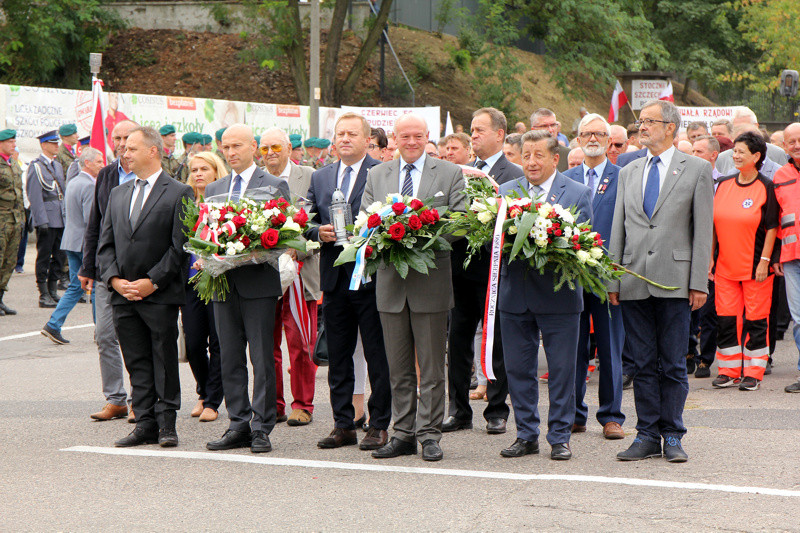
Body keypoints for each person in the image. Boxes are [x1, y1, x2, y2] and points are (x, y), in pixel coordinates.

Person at [609, 100, 714, 463]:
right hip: (633, 278)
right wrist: (613, 276)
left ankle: (672, 434)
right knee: (641, 362)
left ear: (670, 127)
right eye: (640, 122)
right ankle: (646, 435)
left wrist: (698, 282)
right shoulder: (629, 170)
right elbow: (619, 227)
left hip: (676, 280)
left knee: (671, 362)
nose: (642, 127)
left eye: (649, 121)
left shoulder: (697, 168)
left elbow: (703, 231)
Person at [362, 113, 465, 462]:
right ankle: (403, 433)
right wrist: (387, 237)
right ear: (394, 138)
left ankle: (429, 434)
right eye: (404, 136)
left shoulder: (449, 173)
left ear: (427, 137)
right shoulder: (377, 174)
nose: (410, 142)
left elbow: (459, 222)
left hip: (431, 283)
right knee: (398, 367)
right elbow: (364, 221)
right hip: (391, 285)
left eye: (417, 136)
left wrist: (421, 233)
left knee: (433, 367)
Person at [497, 130, 592, 461]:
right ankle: (526, 435)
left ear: (555, 158)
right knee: (519, 370)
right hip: (515, 296)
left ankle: (560, 436)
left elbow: (586, 243)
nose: (531, 162)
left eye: (538, 155)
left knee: (563, 371)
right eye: (525, 155)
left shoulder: (577, 193)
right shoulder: (507, 192)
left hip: (560, 297)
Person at [97, 126, 192, 448]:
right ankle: (145, 423)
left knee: (163, 359)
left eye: (132, 148)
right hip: (123, 294)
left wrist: (153, 281)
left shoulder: (178, 192)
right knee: (136, 360)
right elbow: (105, 244)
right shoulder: (118, 193)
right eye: (123, 147)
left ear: (153, 151)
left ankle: (167, 424)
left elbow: (180, 246)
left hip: (159, 294)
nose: (124, 152)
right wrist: (114, 280)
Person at [204, 124, 291, 454]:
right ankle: (237, 422)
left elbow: (283, 234)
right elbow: (205, 232)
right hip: (223, 282)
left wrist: (254, 252)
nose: (230, 152)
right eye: (225, 147)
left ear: (254, 147)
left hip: (258, 283)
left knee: (261, 357)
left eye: (237, 146)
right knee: (229, 356)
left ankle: (261, 426)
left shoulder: (273, 185)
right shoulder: (215, 188)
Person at [307, 112, 391, 451]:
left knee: (377, 354)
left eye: (352, 134)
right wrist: (317, 232)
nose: (344, 139)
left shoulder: (382, 173)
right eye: (340, 133)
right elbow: (307, 219)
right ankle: (343, 424)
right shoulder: (320, 176)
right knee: (338, 355)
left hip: (370, 276)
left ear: (367, 139)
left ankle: (379, 424)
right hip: (334, 277)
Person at [444, 107, 518, 437]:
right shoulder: (459, 172)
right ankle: (458, 410)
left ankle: (497, 410)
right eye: (471, 130)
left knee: (495, 342)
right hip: (460, 269)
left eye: (480, 130)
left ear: (500, 134)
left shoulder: (514, 173)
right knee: (458, 340)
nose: (473, 136)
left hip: (495, 271)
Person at [563, 113, 626, 440]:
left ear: (608, 138)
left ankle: (612, 416)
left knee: (610, 346)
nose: (592, 138)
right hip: (570, 276)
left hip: (608, 277)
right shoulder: (565, 178)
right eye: (586, 132)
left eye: (599, 133)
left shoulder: (623, 177)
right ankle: (573, 414)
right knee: (572, 346)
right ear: (577, 137)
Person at [259, 127, 320, 427]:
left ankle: (303, 404)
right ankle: (274, 403)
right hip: (264, 274)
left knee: (300, 343)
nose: (270, 153)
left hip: (300, 274)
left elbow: (321, 222)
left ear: (288, 148)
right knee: (265, 344)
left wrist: (299, 249)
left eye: (275, 147)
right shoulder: (256, 182)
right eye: (265, 148)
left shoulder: (310, 176)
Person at [79, 119, 138, 422]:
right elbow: (95, 223)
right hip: (106, 269)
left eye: (128, 137)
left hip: (140, 270)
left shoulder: (152, 174)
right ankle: (115, 399)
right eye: (117, 137)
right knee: (104, 335)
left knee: (138, 336)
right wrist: (88, 266)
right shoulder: (105, 174)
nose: (121, 142)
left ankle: (141, 399)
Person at [710, 131, 778, 391]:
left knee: (757, 320)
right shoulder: (724, 184)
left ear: (756, 156)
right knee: (726, 319)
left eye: (741, 152)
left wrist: (764, 261)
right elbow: (714, 226)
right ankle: (728, 370)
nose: (735, 156)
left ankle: (753, 372)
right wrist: (710, 259)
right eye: (734, 151)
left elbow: (772, 227)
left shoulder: (766, 186)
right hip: (725, 267)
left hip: (756, 269)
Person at [182, 151, 228, 422]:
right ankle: (203, 389)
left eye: (204, 169)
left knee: (219, 341)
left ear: (215, 171)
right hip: (190, 281)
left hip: (218, 278)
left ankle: (212, 400)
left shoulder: (223, 200)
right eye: (195, 169)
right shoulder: (185, 200)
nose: (199, 173)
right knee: (194, 342)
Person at [41, 148, 103, 344]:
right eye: (99, 162)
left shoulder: (74, 183)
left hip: (71, 240)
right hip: (85, 243)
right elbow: (90, 220)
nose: (102, 165)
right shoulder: (88, 186)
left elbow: (68, 213)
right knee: (94, 285)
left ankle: (53, 324)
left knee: (77, 286)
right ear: (88, 163)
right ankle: (100, 331)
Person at [688, 135, 723, 379]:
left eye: (699, 151)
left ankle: (706, 358)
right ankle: (688, 352)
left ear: (713, 155)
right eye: (691, 150)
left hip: (716, 251)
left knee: (709, 309)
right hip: (687, 249)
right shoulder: (685, 179)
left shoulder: (724, 182)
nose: (693, 155)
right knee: (688, 308)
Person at [774, 123, 800, 393]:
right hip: (792, 256)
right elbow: (775, 219)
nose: (796, 145)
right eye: (790, 141)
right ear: (784, 146)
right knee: (799, 318)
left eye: (799, 140)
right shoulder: (781, 175)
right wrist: (775, 256)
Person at [27, 130, 67, 308]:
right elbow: (34, 196)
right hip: (47, 218)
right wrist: (41, 220)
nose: (56, 146)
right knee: (44, 255)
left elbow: (63, 192)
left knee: (59, 255)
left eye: (57, 143)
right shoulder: (36, 166)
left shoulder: (57, 165)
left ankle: (52, 290)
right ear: (44, 145)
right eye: (52, 143)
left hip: (60, 217)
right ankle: (43, 293)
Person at [716, 109, 786, 175]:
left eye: (744, 127)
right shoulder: (722, 159)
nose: (741, 132)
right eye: (736, 128)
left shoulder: (778, 154)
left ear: (756, 126)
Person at [0, 129, 24, 316]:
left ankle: (0, 298)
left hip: (14, 221)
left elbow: (19, 194)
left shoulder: (13, 164)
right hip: (1, 220)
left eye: (14, 141)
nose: (14, 145)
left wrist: (23, 219)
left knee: (9, 262)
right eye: (10, 142)